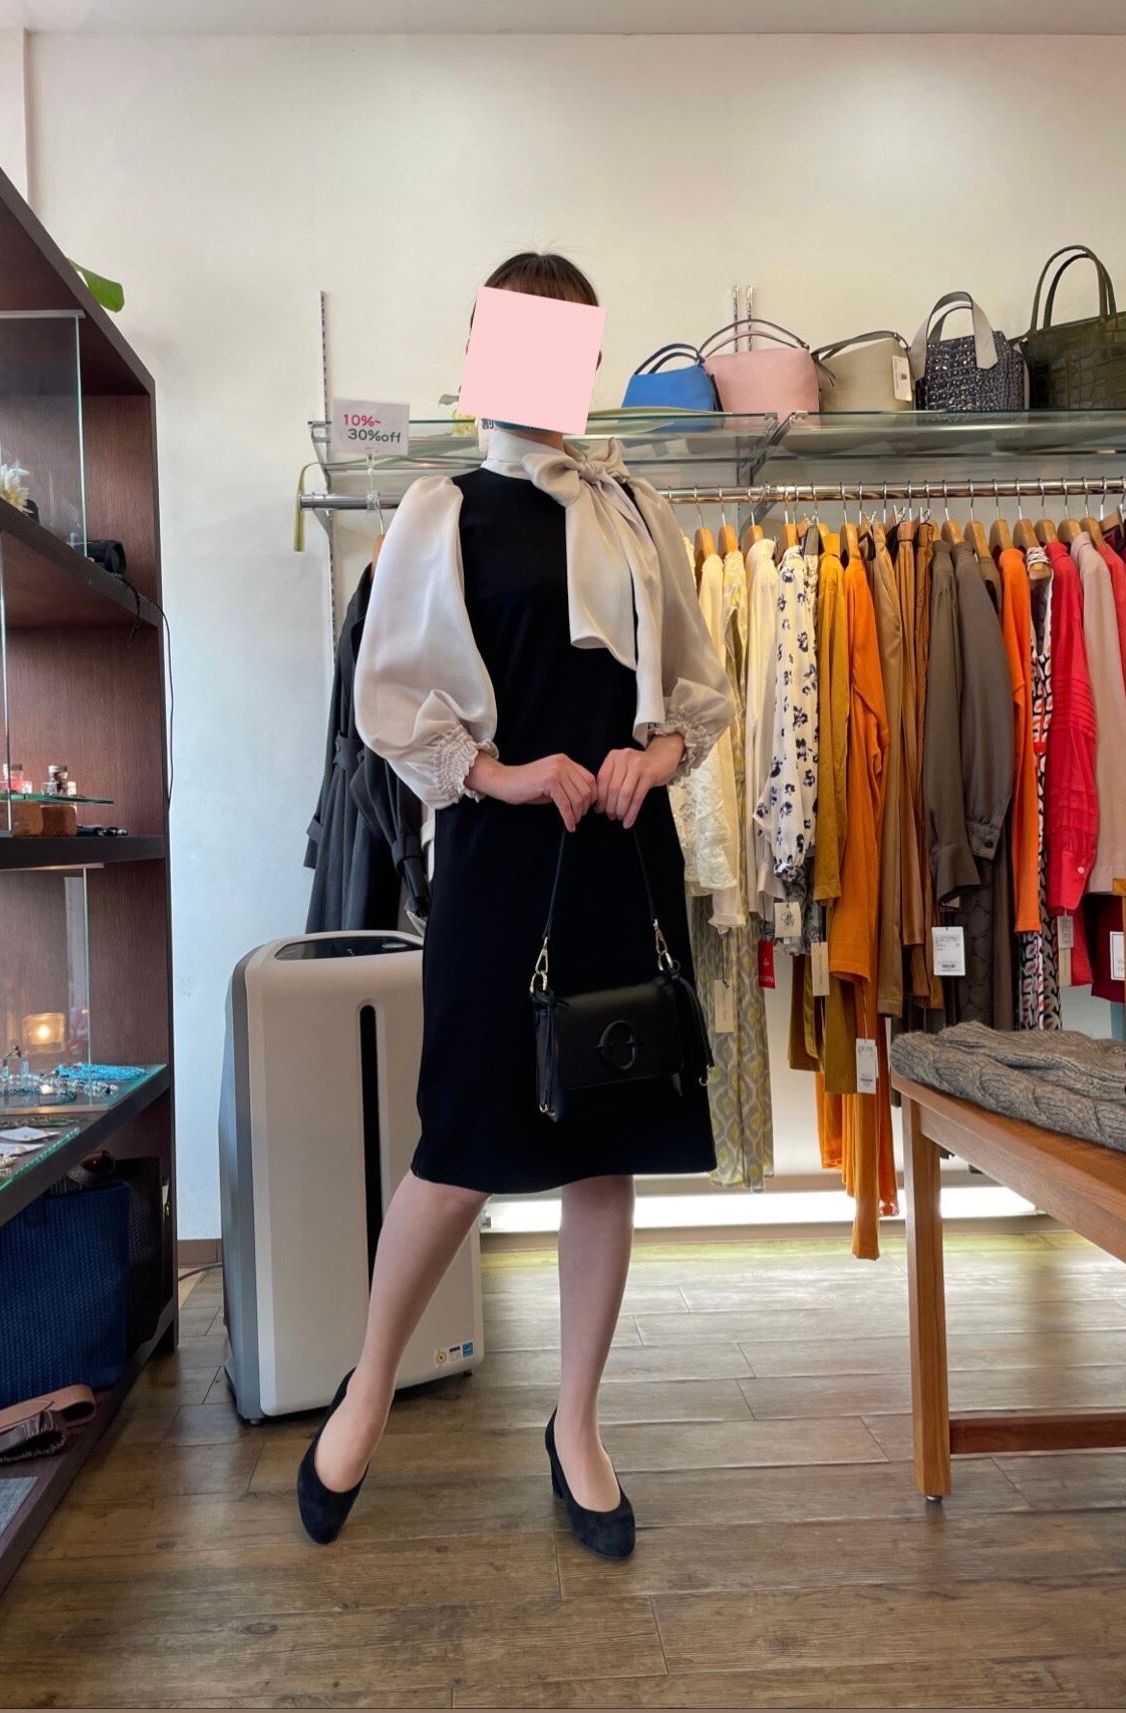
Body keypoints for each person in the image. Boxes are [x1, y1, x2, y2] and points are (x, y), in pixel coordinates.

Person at [296, 251, 733, 1560]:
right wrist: (506, 771)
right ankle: (369, 1386)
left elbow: (697, 696)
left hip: (619, 860)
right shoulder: (441, 511)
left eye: (569, 342)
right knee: (458, 1149)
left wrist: (652, 758)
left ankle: (577, 1423)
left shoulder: (638, 512)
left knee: (606, 1149)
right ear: (485, 350)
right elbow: (392, 706)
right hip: (498, 859)